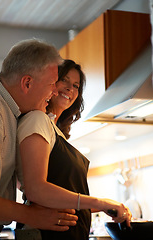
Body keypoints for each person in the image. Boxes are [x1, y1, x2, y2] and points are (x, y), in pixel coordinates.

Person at [17, 59, 132, 240]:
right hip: (46, 234)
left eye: (76, 85)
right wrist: (99, 202)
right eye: (64, 80)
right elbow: (36, 190)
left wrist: (106, 206)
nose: (70, 88)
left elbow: (65, 195)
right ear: (51, 83)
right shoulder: (37, 120)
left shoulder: (56, 132)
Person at [0, 41, 78, 240]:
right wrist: (33, 216)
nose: (55, 92)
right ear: (27, 83)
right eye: (52, 83)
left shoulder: (9, 113)